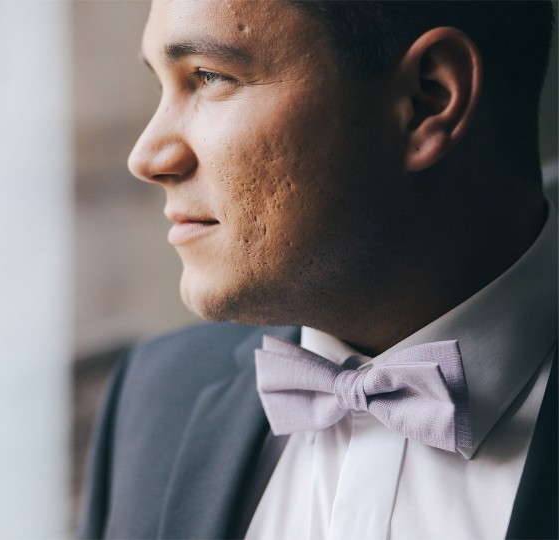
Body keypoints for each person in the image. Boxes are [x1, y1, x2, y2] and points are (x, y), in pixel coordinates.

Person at [77, 1, 557, 538]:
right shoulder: (153, 397)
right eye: (161, 86)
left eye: (209, 77)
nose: (146, 157)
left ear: (428, 100)